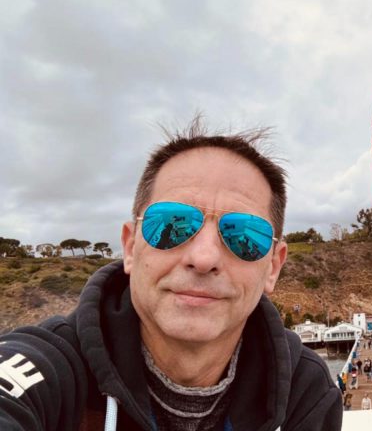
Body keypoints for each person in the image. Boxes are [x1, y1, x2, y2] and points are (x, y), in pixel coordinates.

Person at [0, 122, 343, 430]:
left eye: (244, 236)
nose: (204, 258)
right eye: (171, 225)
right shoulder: (44, 373)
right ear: (130, 247)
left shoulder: (304, 393)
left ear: (273, 266)